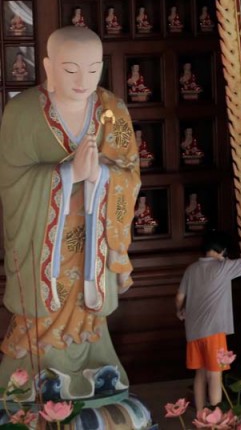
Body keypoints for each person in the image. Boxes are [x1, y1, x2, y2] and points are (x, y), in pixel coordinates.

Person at [0, 27, 140, 399]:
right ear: (48, 66)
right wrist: (68, 175)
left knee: (88, 302)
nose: (83, 80)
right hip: (44, 237)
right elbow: (11, 181)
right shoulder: (22, 112)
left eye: (93, 70)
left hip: (94, 234)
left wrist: (101, 176)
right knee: (45, 304)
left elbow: (129, 171)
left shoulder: (112, 111)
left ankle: (96, 366)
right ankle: (37, 374)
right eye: (70, 69)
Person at [176, 229, 241, 409]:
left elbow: (179, 296)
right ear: (223, 250)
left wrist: (179, 311)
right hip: (214, 331)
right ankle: (215, 419)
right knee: (215, 375)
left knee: (200, 374)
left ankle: (200, 417)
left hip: (193, 331)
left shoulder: (191, 269)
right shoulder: (223, 267)